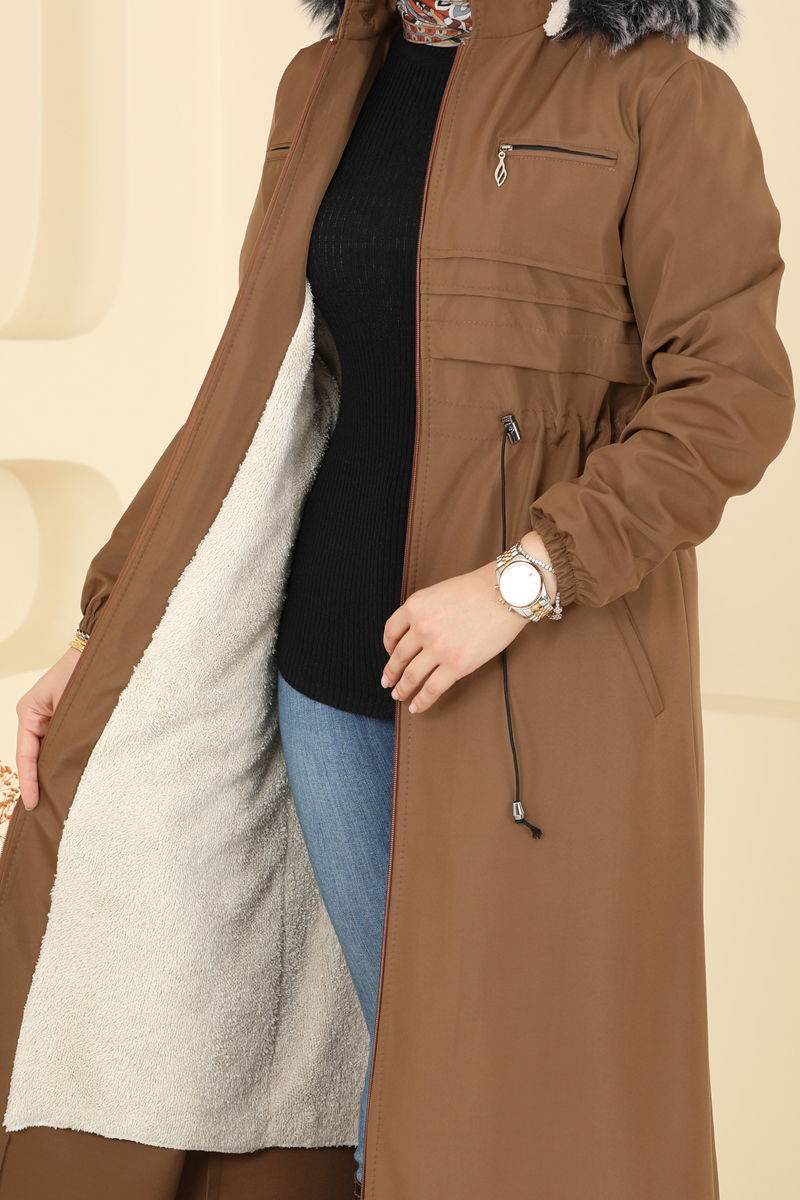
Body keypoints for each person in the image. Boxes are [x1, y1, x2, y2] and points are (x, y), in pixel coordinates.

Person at [5, 2, 793, 1199]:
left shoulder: (657, 96)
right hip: (330, 681)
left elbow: (727, 398)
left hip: (544, 705)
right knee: (398, 1088)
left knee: (512, 1104)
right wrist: (102, 626)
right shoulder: (323, 81)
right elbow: (253, 392)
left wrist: (522, 580)